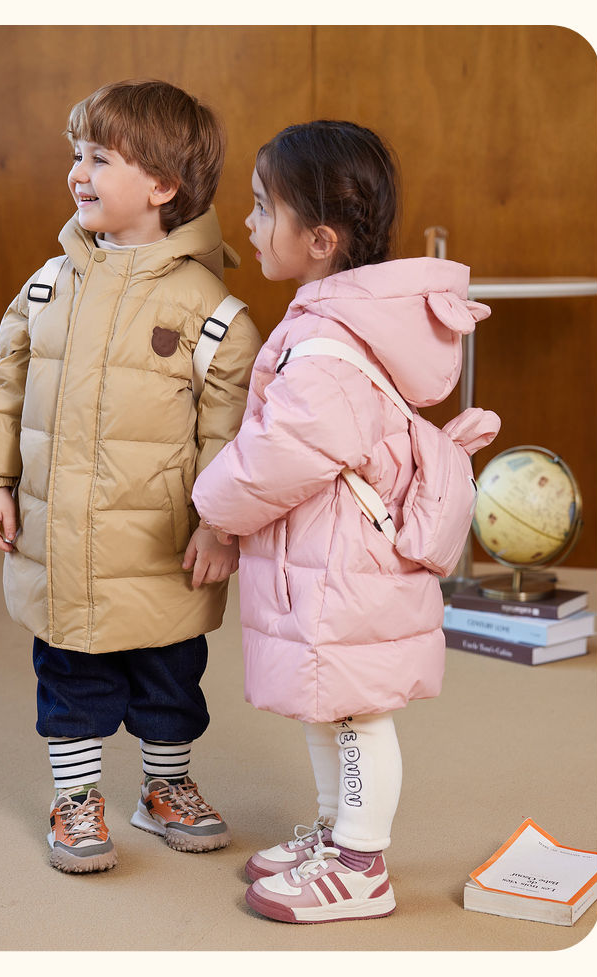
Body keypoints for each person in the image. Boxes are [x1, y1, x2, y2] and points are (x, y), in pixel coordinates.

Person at [192, 120, 494, 922]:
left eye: (264, 208)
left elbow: (280, 453)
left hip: (346, 570)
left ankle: (362, 864)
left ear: (320, 239)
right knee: (330, 705)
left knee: (357, 715)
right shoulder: (334, 321)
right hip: (333, 562)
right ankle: (335, 835)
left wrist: (213, 512)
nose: (249, 221)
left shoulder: (327, 342)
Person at [0, 80, 261, 874]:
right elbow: (2, 386)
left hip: (162, 541)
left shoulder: (211, 311)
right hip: (61, 537)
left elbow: (230, 433)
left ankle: (165, 785)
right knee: (70, 669)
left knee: (170, 676)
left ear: (161, 185)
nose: (77, 172)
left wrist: (221, 525)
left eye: (100, 158)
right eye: (76, 154)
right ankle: (76, 795)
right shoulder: (46, 287)